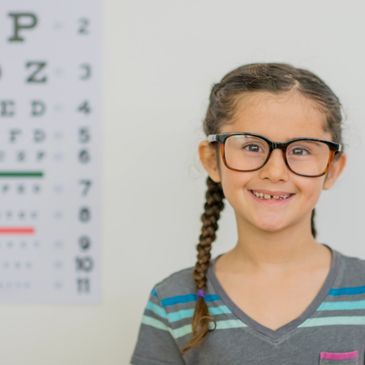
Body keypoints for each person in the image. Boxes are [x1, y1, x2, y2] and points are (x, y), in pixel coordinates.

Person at [130, 62, 365, 365]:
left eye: (302, 150)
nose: (275, 171)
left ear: (333, 168)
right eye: (252, 146)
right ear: (212, 160)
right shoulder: (172, 301)